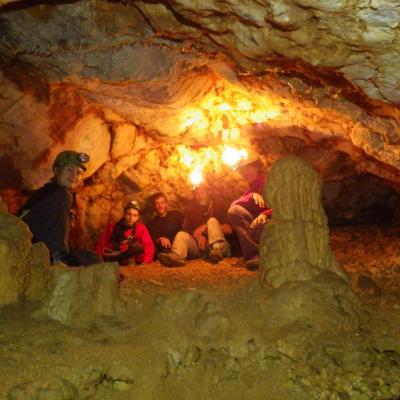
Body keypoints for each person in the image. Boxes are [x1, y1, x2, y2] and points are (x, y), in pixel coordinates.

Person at [17, 150, 102, 266]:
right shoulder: (53, 194)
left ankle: (60, 256)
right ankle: (58, 257)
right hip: (30, 244)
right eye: (70, 170)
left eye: (78, 173)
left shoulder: (62, 197)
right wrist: (59, 254)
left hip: (44, 245)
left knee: (94, 258)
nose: (74, 175)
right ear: (57, 171)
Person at [158, 184, 231, 267]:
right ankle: (176, 256)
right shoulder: (191, 209)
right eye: (197, 194)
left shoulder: (218, 205)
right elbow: (186, 231)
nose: (199, 196)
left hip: (220, 247)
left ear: (208, 193)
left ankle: (216, 252)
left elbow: (229, 229)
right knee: (181, 235)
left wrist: (206, 227)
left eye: (202, 193)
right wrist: (195, 234)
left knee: (212, 221)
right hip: (201, 249)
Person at [228, 158, 272, 270]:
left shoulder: (269, 181)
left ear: (257, 168)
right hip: (259, 227)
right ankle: (254, 255)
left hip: (274, 225)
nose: (246, 173)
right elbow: (233, 205)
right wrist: (251, 195)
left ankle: (270, 254)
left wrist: (265, 214)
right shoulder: (251, 188)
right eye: (243, 171)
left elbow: (284, 204)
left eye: (248, 168)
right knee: (234, 211)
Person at [96, 200, 154, 265]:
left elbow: (149, 246)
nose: (131, 218)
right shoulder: (112, 227)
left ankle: (129, 261)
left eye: (134, 215)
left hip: (132, 256)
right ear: (124, 214)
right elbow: (101, 244)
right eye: (129, 214)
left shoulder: (141, 228)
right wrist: (98, 259)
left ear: (138, 217)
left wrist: (145, 262)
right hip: (115, 256)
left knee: (136, 247)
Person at [148, 192, 184, 258]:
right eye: (157, 203)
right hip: (165, 251)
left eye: (162, 202)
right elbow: (152, 239)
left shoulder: (176, 215)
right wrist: (159, 239)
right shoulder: (152, 223)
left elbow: (187, 228)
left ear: (166, 204)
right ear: (154, 206)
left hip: (181, 248)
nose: (160, 206)